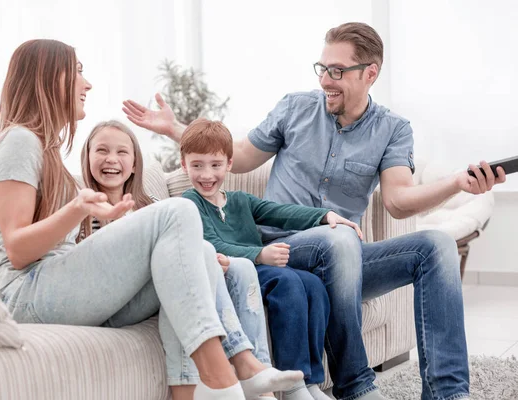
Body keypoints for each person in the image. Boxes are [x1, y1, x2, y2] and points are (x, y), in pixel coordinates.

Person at [123, 22, 506, 400]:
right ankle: (355, 385)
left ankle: (448, 394)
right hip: (282, 253)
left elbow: (398, 201)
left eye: (338, 71)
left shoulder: (392, 129)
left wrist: (458, 183)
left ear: (370, 73)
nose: (326, 80)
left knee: (436, 245)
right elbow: (237, 157)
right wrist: (177, 130)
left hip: (346, 260)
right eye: (323, 69)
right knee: (338, 238)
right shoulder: (295, 108)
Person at [0, 38, 287, 400]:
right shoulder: (20, 140)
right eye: (78, 71)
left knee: (200, 256)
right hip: (24, 295)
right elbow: (17, 249)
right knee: (178, 211)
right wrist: (78, 209)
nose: (87, 83)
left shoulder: (44, 150)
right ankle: (226, 376)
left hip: (55, 289)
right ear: (50, 78)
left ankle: (195, 391)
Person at [79, 119, 303, 400]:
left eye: (122, 152)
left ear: (135, 164)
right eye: (101, 150)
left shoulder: (152, 208)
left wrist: (205, 262)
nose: (112, 159)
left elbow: (181, 250)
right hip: (115, 299)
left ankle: (256, 376)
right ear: (87, 157)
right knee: (203, 258)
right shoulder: (81, 208)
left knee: (219, 260)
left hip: (158, 288)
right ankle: (246, 366)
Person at [178, 118, 365, 400]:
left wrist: (324, 216)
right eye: (197, 165)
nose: (207, 174)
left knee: (314, 284)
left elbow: (280, 212)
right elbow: (211, 243)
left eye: (215, 165)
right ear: (184, 165)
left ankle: (310, 381)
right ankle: (292, 387)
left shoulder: (240, 200)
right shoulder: (189, 202)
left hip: (262, 270)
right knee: (288, 282)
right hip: (234, 273)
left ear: (229, 164)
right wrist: (259, 254)